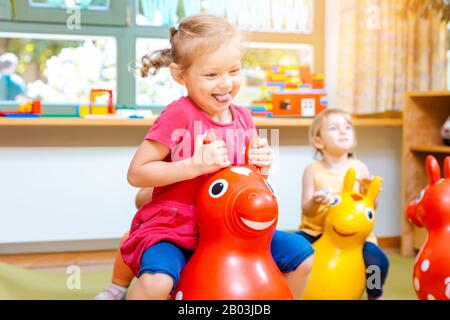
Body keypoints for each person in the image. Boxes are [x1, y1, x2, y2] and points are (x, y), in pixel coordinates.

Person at [94, 13, 314, 300]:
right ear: (180, 75)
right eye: (212, 75)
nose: (225, 84)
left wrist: (261, 168)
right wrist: (194, 165)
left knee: (302, 257)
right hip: (176, 228)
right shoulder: (179, 114)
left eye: (233, 71)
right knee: (157, 283)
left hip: (230, 230)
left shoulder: (244, 118)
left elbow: (242, 182)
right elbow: (137, 173)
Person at [297, 108, 389, 300]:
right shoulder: (312, 170)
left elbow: (371, 207)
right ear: (318, 141)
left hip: (354, 237)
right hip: (316, 231)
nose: (343, 131)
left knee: (377, 261)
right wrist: (315, 200)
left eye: (347, 127)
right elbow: (306, 208)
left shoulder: (360, 168)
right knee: (293, 249)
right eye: (334, 128)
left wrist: (369, 193)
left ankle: (375, 294)